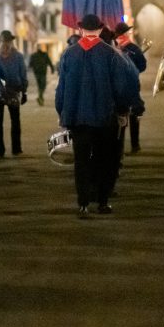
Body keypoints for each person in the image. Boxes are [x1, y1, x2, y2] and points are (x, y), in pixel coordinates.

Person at [55, 14, 140, 217]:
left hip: (78, 119)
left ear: (81, 30)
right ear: (100, 30)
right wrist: (122, 110)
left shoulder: (69, 54)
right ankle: (102, 202)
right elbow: (120, 88)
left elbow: (61, 90)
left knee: (81, 162)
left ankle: (83, 204)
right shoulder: (111, 54)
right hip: (105, 118)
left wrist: (62, 112)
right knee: (105, 160)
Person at [112, 22, 147, 154]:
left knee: (120, 116)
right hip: (132, 86)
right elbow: (143, 65)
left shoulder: (112, 48)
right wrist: (134, 71)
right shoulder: (134, 48)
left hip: (117, 87)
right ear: (126, 33)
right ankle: (135, 145)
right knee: (134, 113)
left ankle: (119, 148)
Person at [0, 30, 28, 157]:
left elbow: (23, 73)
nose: (6, 44)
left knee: (13, 121)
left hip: (11, 90)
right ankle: (2, 149)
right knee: (1, 121)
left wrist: (24, 91)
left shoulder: (17, 56)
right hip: (2, 91)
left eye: (8, 41)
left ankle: (13, 148)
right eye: (5, 41)